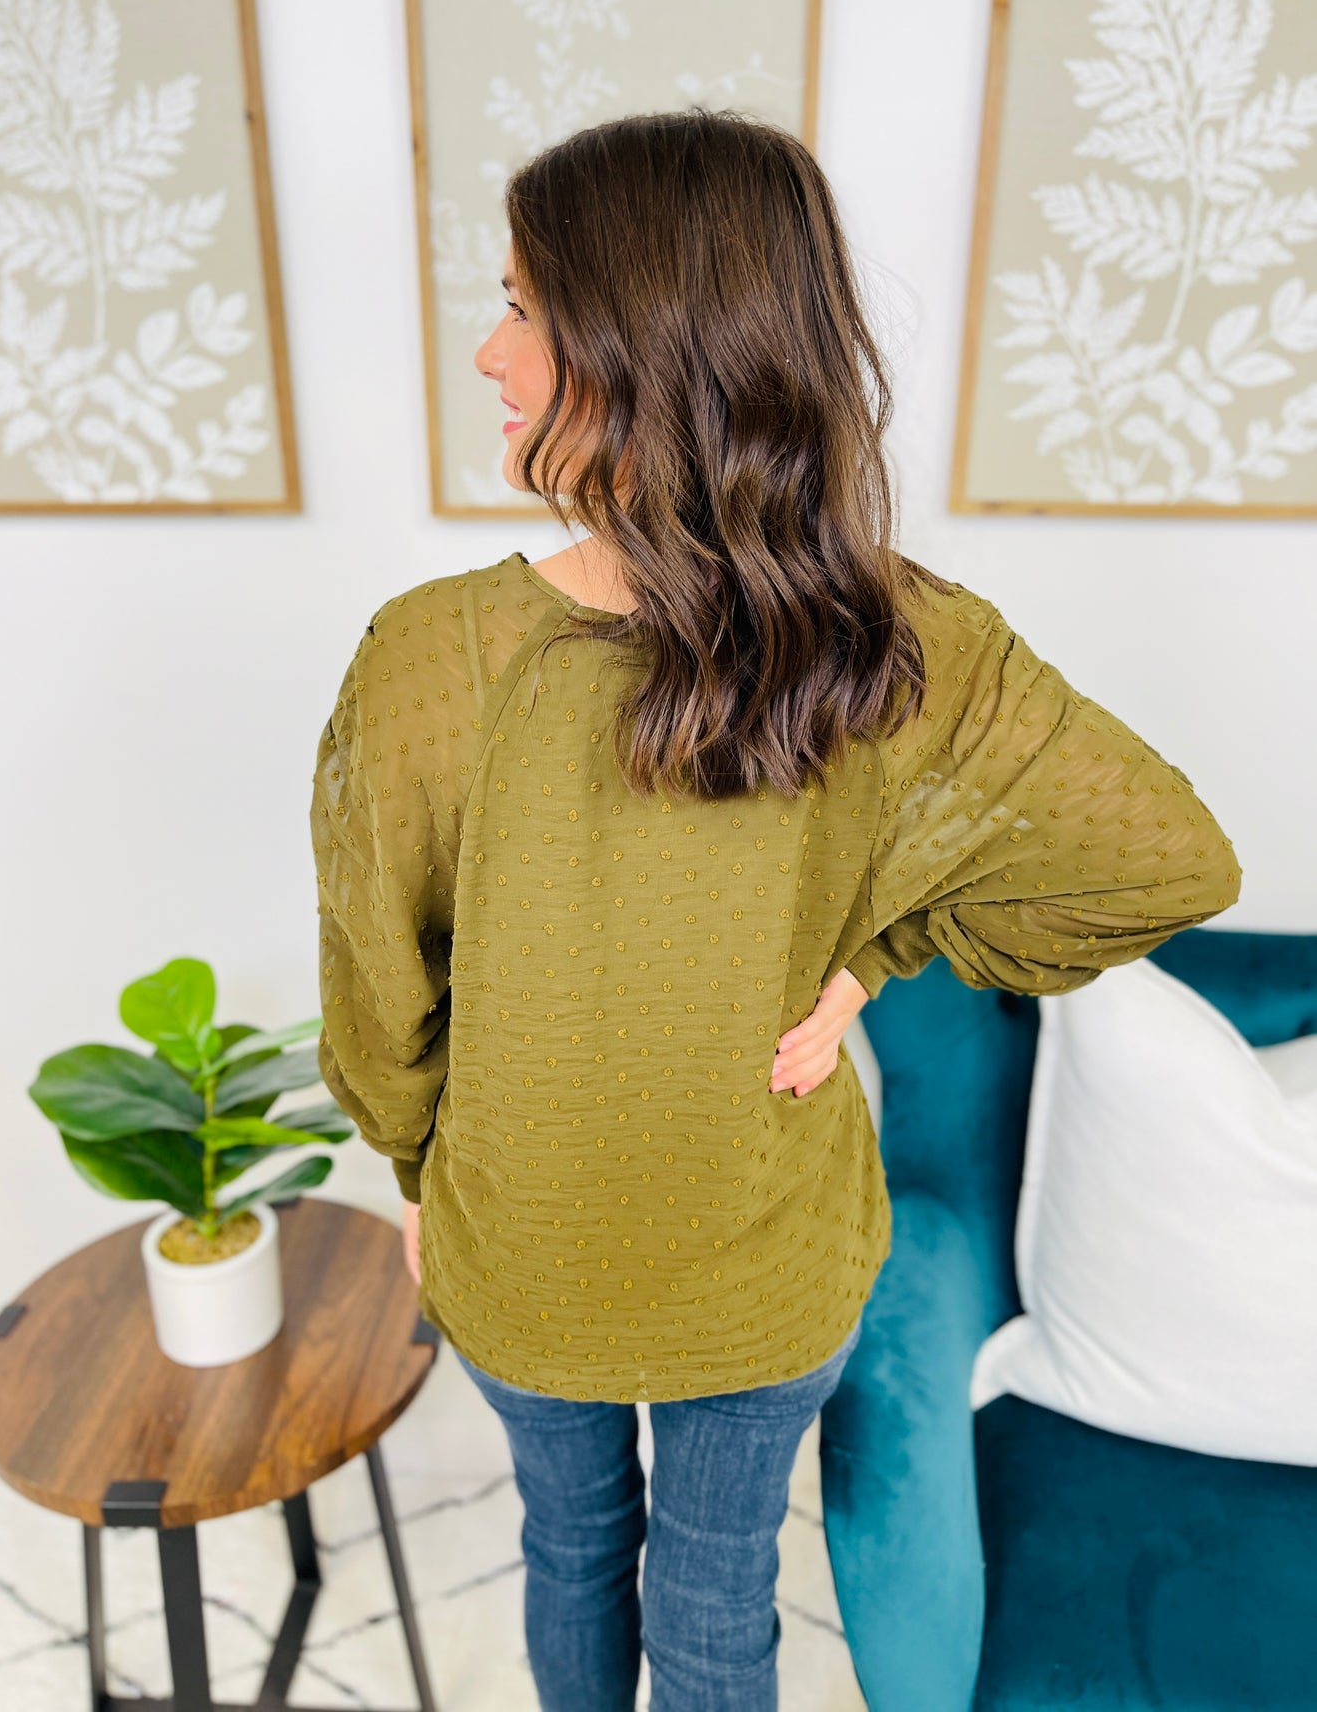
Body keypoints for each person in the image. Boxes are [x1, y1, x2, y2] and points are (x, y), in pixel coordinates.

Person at [309, 108, 1242, 1712]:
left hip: (521, 1247)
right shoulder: (907, 646)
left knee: (568, 1550)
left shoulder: (431, 661)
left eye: (523, 306)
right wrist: (873, 956)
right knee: (718, 1594)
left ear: (639, 345)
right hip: (763, 1255)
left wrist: (414, 1169)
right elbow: (1168, 861)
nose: (486, 350)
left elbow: (379, 994)